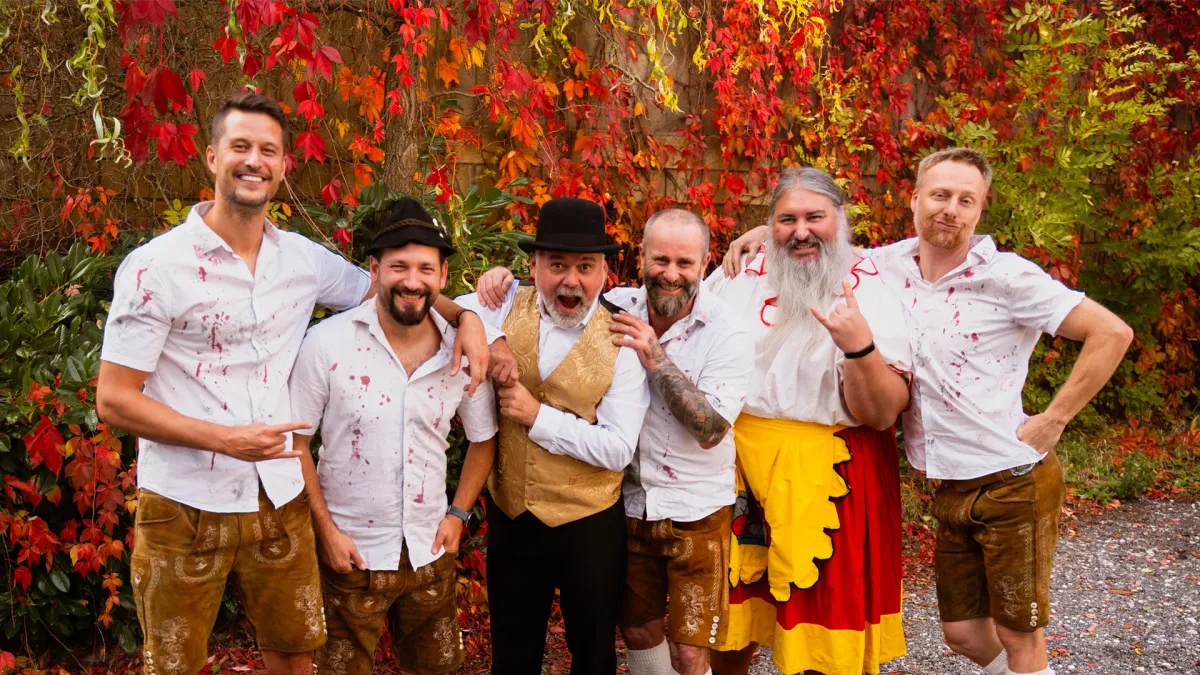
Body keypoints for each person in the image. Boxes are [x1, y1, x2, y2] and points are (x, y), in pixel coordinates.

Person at [95, 91, 489, 675]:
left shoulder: (302, 261)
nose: (254, 161)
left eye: (268, 150)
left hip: (280, 497)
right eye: (241, 146)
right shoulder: (157, 267)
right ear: (211, 157)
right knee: (174, 665)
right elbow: (113, 399)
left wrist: (468, 319)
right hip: (184, 501)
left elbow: (395, 288)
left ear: (283, 166)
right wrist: (226, 440)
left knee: (295, 654)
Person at [721, 148, 1133, 675]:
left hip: (1012, 478)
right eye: (940, 195)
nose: (950, 210)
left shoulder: (1010, 278)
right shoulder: (888, 265)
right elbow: (819, 237)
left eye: (966, 200)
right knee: (963, 634)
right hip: (950, 482)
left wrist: (1055, 419)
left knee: (1018, 633)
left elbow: (1112, 332)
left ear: (981, 209)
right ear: (914, 199)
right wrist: (767, 231)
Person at [473, 209, 753, 675]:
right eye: (660, 259)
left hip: (695, 508)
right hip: (632, 505)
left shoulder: (728, 331)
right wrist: (495, 298)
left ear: (705, 264)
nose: (671, 273)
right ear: (641, 258)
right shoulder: (617, 303)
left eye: (684, 263)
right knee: (638, 633)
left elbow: (711, 431)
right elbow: (474, 307)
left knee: (688, 652)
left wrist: (654, 356)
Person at [705, 167, 912, 675]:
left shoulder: (876, 284)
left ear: (840, 219)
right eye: (786, 220)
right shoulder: (738, 274)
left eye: (815, 217)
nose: (801, 232)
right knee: (730, 623)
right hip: (739, 468)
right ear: (769, 224)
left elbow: (882, 413)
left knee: (824, 635)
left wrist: (859, 349)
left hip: (834, 472)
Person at [287, 197, 498, 675]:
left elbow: (484, 438)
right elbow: (296, 445)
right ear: (375, 269)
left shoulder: (462, 351)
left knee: (438, 670)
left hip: (430, 551)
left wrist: (459, 514)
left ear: (443, 276)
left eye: (426, 268)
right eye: (399, 266)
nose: (412, 280)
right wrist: (326, 532)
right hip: (350, 553)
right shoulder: (327, 343)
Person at [454, 197, 651, 675]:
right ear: (533, 267)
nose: (571, 280)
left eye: (585, 267)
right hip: (514, 516)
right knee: (512, 653)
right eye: (557, 265)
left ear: (604, 271)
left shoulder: (623, 338)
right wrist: (491, 335)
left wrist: (536, 416)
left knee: (593, 654)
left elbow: (618, 448)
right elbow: (453, 308)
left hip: (589, 523)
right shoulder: (503, 305)